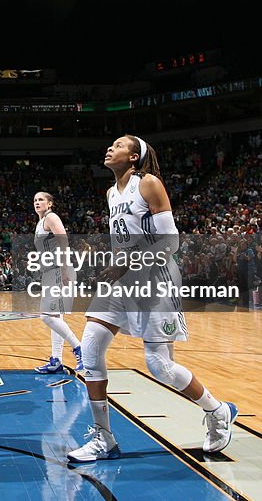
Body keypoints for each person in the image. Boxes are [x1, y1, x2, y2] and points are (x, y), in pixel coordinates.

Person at [68, 135, 237, 463]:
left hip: (155, 278)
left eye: (117, 145)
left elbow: (170, 242)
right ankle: (104, 438)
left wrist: (129, 263)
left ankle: (217, 411)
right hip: (123, 280)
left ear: (133, 157)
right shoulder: (110, 193)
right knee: (90, 348)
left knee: (158, 365)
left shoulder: (148, 184)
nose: (109, 148)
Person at [31, 191, 83, 375]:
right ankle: (56, 360)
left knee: (46, 316)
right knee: (56, 316)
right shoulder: (40, 222)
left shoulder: (51, 217)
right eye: (35, 200)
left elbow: (63, 242)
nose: (37, 202)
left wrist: (62, 270)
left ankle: (79, 347)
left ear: (50, 203)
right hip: (51, 271)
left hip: (60, 270)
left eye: (41, 200)